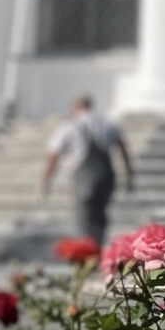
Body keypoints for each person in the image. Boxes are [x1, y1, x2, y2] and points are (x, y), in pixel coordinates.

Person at [42, 94, 132, 245]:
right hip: (106, 175)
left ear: (76, 107)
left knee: (84, 215)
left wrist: (47, 179)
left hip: (82, 176)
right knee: (101, 213)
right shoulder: (108, 123)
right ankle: (98, 245)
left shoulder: (70, 125)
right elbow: (123, 148)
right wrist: (129, 173)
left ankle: (87, 251)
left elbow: (54, 153)